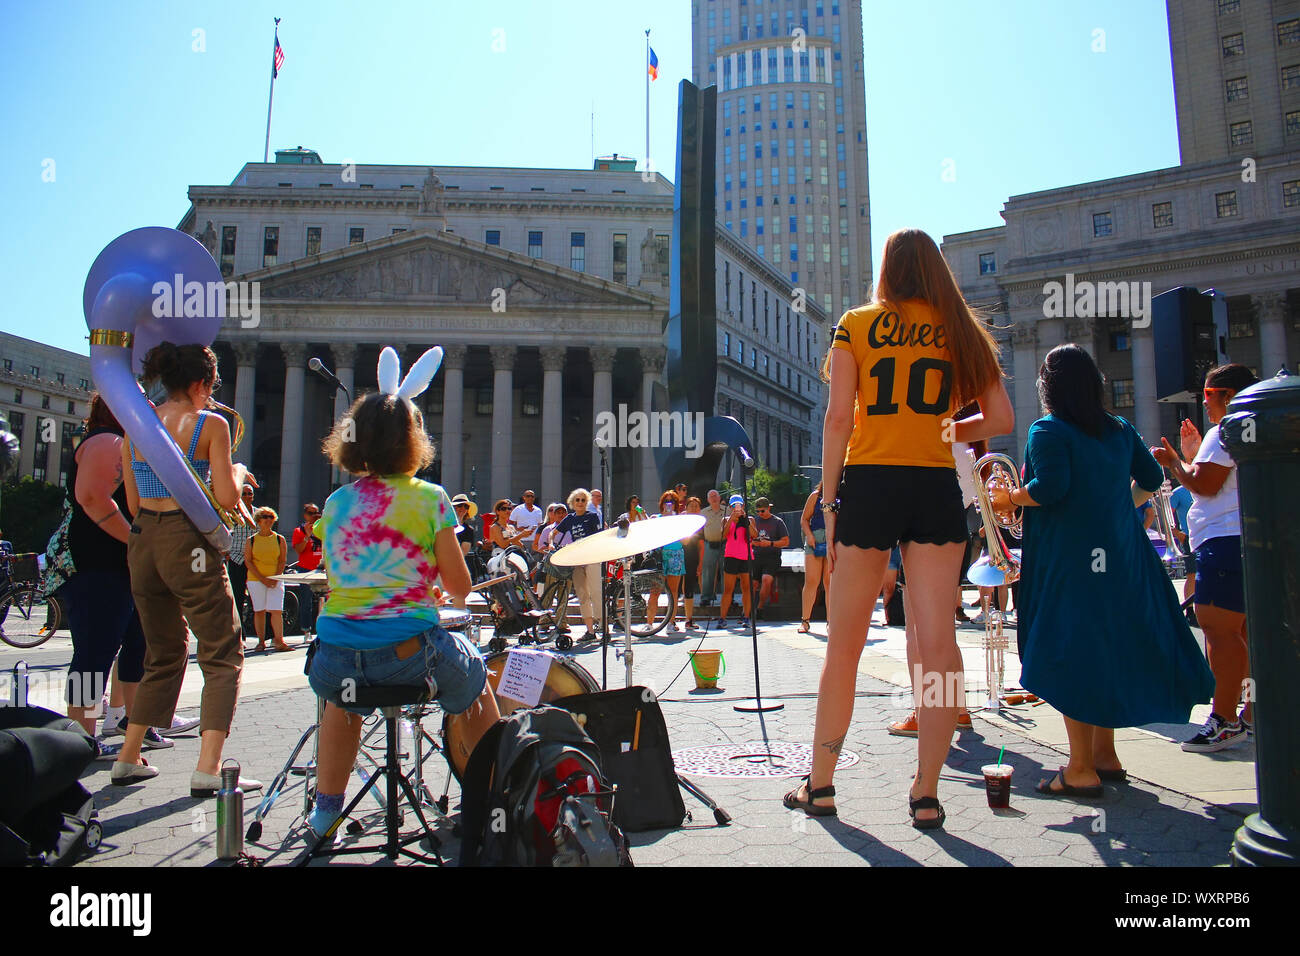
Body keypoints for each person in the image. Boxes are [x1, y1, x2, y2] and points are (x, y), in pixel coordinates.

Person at [785, 228, 1012, 827]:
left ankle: (824, 784)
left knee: (845, 648)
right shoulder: (959, 329)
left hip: (870, 483)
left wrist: (830, 504)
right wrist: (944, 431)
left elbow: (838, 419)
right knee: (938, 648)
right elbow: (1002, 417)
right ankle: (927, 792)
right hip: (933, 488)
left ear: (886, 267)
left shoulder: (855, 325)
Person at [992, 344, 1214, 796]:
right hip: (1122, 555)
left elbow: (1051, 488)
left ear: (1048, 387)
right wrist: (1113, 507)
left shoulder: (1048, 429)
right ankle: (1105, 756)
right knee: (1106, 646)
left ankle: (1079, 768)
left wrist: (1008, 499)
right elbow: (1152, 480)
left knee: (1072, 650)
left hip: (1071, 559)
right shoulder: (1119, 428)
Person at [305, 373, 499, 839]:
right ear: (413, 442)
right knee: (476, 679)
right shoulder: (431, 499)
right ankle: (498, 794)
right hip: (409, 653)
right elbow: (458, 585)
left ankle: (325, 812)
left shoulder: (334, 502)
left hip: (333, 657)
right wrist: (429, 588)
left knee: (340, 704)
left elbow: (341, 581)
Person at [113, 342, 261, 796]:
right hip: (187, 541)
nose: (211, 394)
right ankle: (208, 767)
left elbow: (134, 503)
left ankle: (127, 757)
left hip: (143, 541)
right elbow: (223, 497)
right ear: (200, 383)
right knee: (222, 652)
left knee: (161, 652)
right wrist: (237, 472)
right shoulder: (210, 425)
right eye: (211, 386)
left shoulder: (134, 427)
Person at [1152, 363, 1258, 751]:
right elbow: (1217, 481)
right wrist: (1195, 455)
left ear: (1228, 395)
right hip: (1242, 539)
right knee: (1242, 633)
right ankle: (1249, 712)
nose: (1205, 403)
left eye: (1209, 396)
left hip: (1222, 541)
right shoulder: (1247, 427)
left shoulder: (1226, 428)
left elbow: (1205, 486)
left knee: (1219, 631)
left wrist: (1174, 463)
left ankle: (1225, 717)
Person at [59, 396, 149, 740]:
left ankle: (123, 725)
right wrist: (135, 541)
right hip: (99, 566)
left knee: (132, 647)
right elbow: (93, 498)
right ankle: (81, 737)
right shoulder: (107, 441)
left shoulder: (115, 441)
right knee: (93, 657)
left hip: (118, 568)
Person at [551, 489, 603, 639]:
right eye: (577, 500)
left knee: (596, 593)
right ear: (572, 503)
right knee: (582, 595)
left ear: (586, 502)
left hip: (592, 558)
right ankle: (590, 631)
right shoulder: (569, 519)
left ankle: (604, 629)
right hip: (577, 561)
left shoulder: (592, 516)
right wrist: (550, 543)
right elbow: (553, 533)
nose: (580, 503)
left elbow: (598, 536)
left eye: (583, 500)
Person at [244, 506, 291, 653]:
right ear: (258, 520)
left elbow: (282, 561)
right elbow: (248, 561)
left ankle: (279, 641)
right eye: (264, 516)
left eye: (271, 517)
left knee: (276, 610)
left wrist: (275, 578)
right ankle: (261, 642)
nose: (268, 520)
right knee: (259, 610)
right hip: (256, 579)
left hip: (276, 578)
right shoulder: (251, 540)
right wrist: (262, 579)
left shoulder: (279, 539)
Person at [717, 494, 756, 630]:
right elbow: (723, 535)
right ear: (731, 507)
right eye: (734, 505)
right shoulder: (726, 519)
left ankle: (746, 616)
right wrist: (731, 520)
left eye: (739, 505)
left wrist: (745, 520)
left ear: (743, 506)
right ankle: (722, 618)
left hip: (746, 556)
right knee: (728, 589)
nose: (737, 508)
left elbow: (754, 534)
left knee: (746, 588)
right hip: (731, 556)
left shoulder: (749, 519)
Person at [648, 491, 685, 632]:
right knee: (655, 590)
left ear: (676, 505)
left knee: (673, 591)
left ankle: (671, 622)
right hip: (659, 555)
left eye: (672, 501)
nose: (668, 504)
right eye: (666, 501)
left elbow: (686, 538)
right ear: (661, 504)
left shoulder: (680, 519)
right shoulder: (655, 518)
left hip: (675, 553)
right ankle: (649, 623)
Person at [798, 482, 830, 633]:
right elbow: (804, 519)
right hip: (815, 540)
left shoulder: (841, 498)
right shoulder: (815, 496)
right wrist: (809, 536)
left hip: (833, 540)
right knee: (811, 581)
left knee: (830, 582)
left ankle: (831, 623)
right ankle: (805, 621)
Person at [225, 485, 258, 626]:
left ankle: (257, 632)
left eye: (249, 493)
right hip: (236, 559)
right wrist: (227, 553)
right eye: (243, 493)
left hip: (255, 560)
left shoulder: (259, 514)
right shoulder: (232, 513)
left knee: (256, 599)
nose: (246, 496)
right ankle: (239, 633)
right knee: (237, 597)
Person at [289, 502, 324, 634]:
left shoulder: (323, 528)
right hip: (306, 568)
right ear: (305, 515)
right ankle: (306, 630)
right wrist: (307, 536)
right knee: (306, 601)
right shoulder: (299, 531)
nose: (314, 516)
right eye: (311, 513)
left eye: (316, 513)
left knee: (325, 600)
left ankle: (322, 629)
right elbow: (299, 549)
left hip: (322, 568)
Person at [751, 496, 789, 616]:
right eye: (758, 511)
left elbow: (786, 542)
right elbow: (747, 539)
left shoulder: (777, 522)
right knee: (753, 583)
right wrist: (753, 542)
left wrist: (770, 543)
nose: (760, 514)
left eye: (762, 511)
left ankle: (760, 607)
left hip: (772, 556)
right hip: (756, 555)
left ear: (768, 509)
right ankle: (748, 609)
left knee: (766, 579)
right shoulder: (754, 521)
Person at [699, 489, 726, 606]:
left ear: (719, 498)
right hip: (709, 544)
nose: (714, 498)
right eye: (711, 496)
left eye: (715, 495)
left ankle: (728, 597)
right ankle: (706, 597)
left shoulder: (727, 511)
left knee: (727, 571)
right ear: (708, 500)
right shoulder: (703, 512)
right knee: (707, 572)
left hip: (725, 544)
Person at [681, 496, 702, 629]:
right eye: (691, 506)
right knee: (674, 589)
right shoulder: (680, 521)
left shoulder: (700, 523)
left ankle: (689, 619)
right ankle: (670, 621)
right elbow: (684, 541)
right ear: (686, 507)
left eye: (696, 506)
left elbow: (702, 545)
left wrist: (700, 563)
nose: (693, 508)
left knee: (689, 588)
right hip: (677, 556)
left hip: (692, 558)